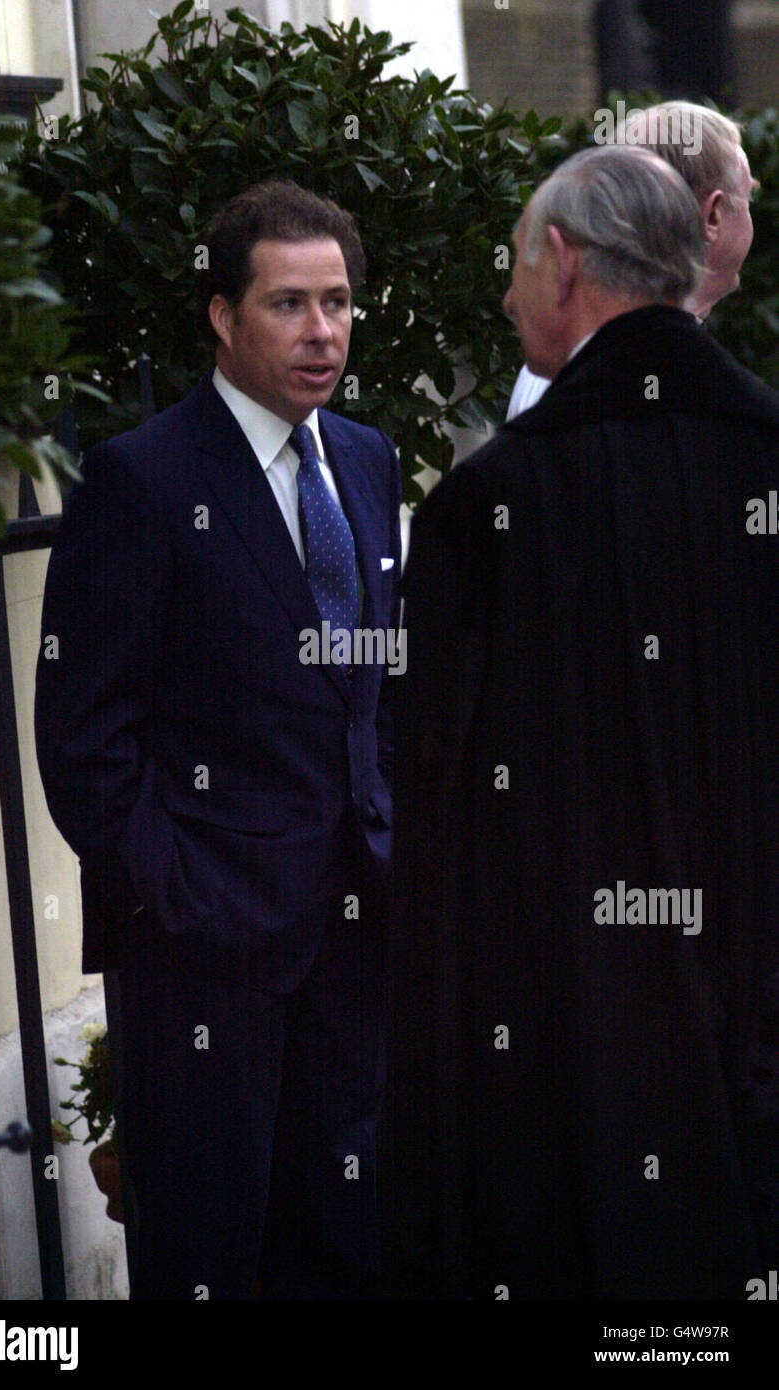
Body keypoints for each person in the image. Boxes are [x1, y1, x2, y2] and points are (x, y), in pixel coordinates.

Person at [381, 145, 779, 1299]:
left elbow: (439, 836)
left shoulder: (483, 509)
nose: (507, 297)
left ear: (561, 262)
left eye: (512, 263)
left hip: (572, 1102)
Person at [35, 181, 401, 1299]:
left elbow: (378, 694)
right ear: (223, 317)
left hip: (355, 938)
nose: (322, 331)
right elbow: (85, 740)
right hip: (204, 960)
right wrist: (185, 895)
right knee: (214, 1252)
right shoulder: (142, 478)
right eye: (289, 303)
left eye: (338, 302)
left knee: (347, 1246)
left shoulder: (372, 461)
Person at [506, 101, 758, 420]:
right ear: (712, 216)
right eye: (749, 196)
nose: (509, 302)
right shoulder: (676, 383)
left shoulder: (562, 356)